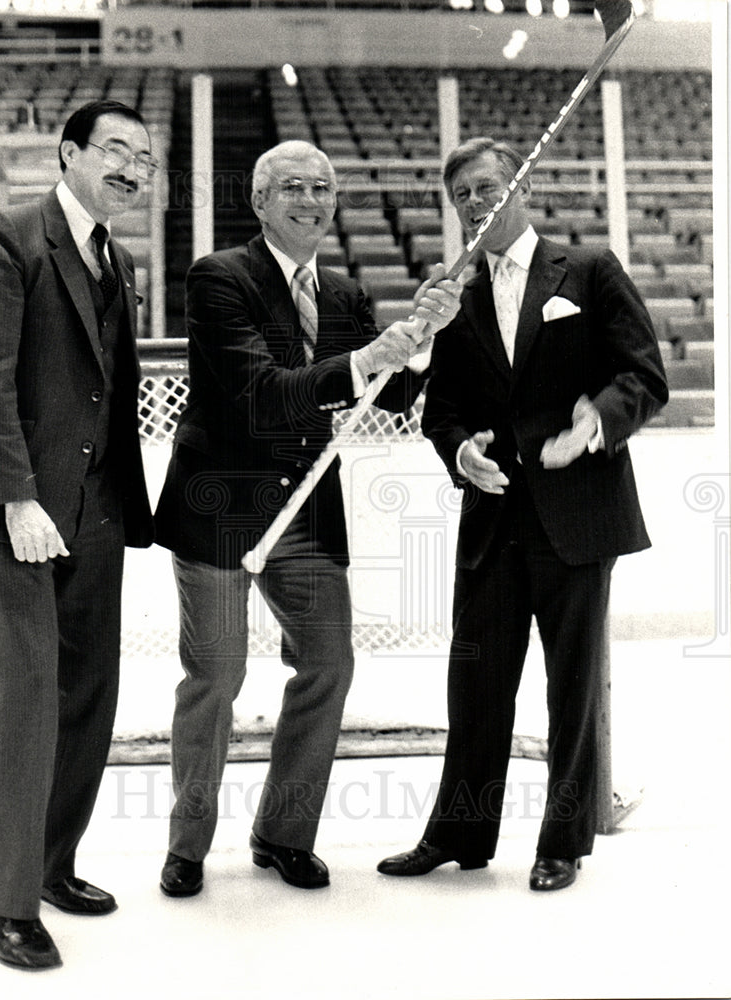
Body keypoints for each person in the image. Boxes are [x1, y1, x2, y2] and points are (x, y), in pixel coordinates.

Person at [154, 139, 463, 895]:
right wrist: (363, 361)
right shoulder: (217, 278)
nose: (311, 198)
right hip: (220, 510)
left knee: (328, 665)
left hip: (305, 511)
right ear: (259, 201)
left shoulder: (348, 296)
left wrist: (418, 345)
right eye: (292, 185)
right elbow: (261, 391)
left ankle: (284, 833)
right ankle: (187, 845)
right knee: (217, 676)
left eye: (324, 187)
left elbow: (386, 400)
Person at [378, 137, 668, 891]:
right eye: (461, 197)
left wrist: (595, 423)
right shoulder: (459, 296)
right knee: (474, 685)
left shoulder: (592, 270)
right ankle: (461, 837)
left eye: (484, 188)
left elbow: (645, 375)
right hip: (493, 521)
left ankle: (562, 842)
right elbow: (439, 411)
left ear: (521, 188)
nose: (475, 204)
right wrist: (458, 454)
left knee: (571, 688)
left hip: (578, 515)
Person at [0, 100, 155, 970]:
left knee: (88, 697)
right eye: (115, 150)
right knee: (28, 701)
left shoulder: (121, 259)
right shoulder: (7, 235)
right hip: (26, 514)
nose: (132, 168)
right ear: (69, 154)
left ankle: (50, 865)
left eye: (143, 159)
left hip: (98, 511)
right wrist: (14, 499)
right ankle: (1, 905)